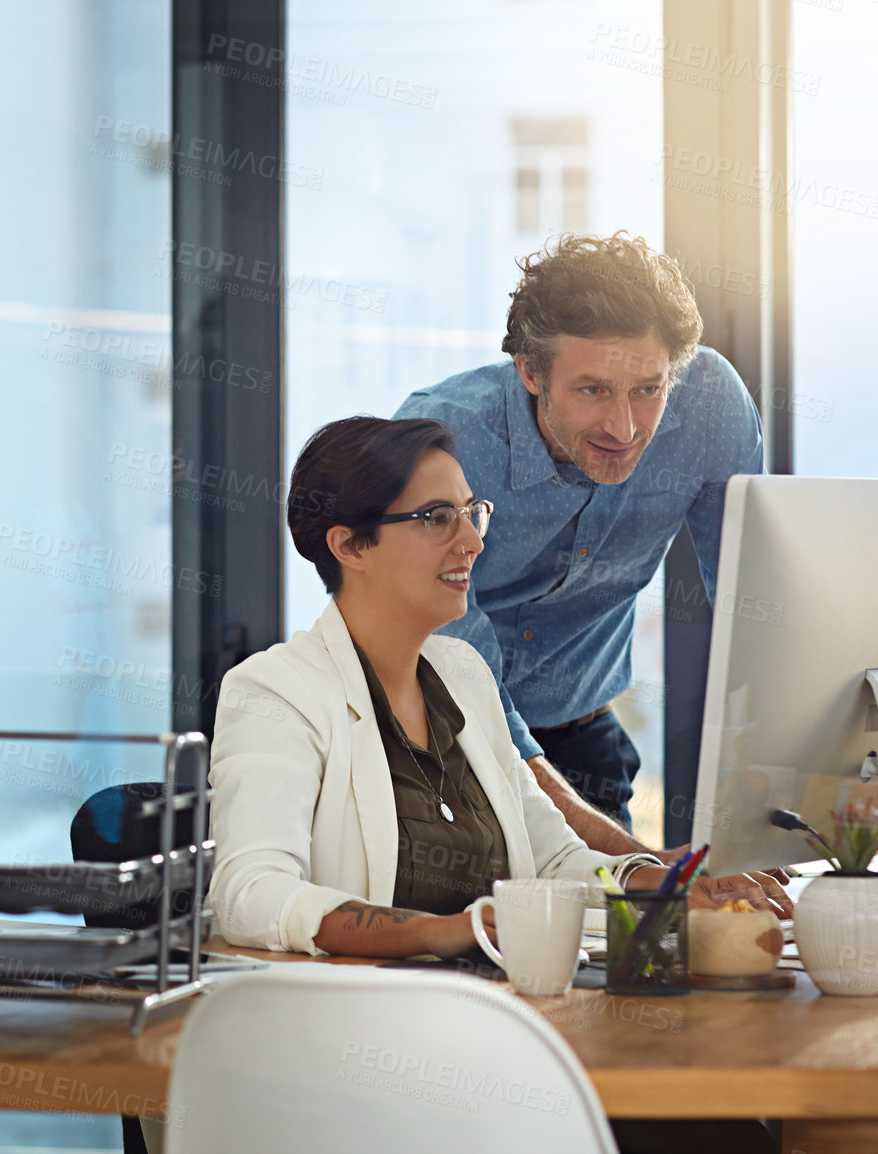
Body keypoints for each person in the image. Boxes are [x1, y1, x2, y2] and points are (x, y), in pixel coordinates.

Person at [206, 416, 788, 959]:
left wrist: (661, 883)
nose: (473, 542)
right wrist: (447, 932)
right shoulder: (274, 693)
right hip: (367, 1030)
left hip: (500, 1011)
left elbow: (555, 859)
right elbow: (249, 895)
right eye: (437, 518)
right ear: (350, 545)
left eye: (471, 512)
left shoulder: (463, 675)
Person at [397, 232, 761, 858]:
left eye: (647, 389)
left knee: (614, 948)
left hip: (585, 741)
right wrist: (630, 861)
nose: (624, 428)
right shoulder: (445, 439)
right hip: (437, 746)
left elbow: (754, 597)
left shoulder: (708, 406)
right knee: (454, 946)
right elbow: (457, 673)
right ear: (531, 372)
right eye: (593, 390)